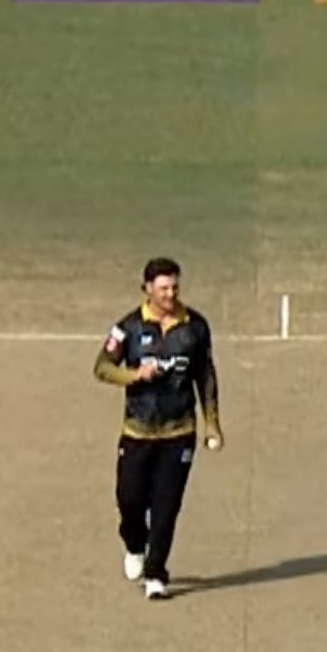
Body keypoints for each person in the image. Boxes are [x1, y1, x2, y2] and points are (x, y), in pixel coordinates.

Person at [93, 257, 223, 600]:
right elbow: (102, 367)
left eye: (175, 287)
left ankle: (156, 574)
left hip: (179, 432)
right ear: (147, 289)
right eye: (163, 288)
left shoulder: (195, 327)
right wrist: (134, 375)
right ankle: (135, 545)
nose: (170, 294)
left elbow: (205, 376)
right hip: (137, 431)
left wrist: (212, 424)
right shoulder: (128, 327)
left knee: (166, 506)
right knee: (129, 500)